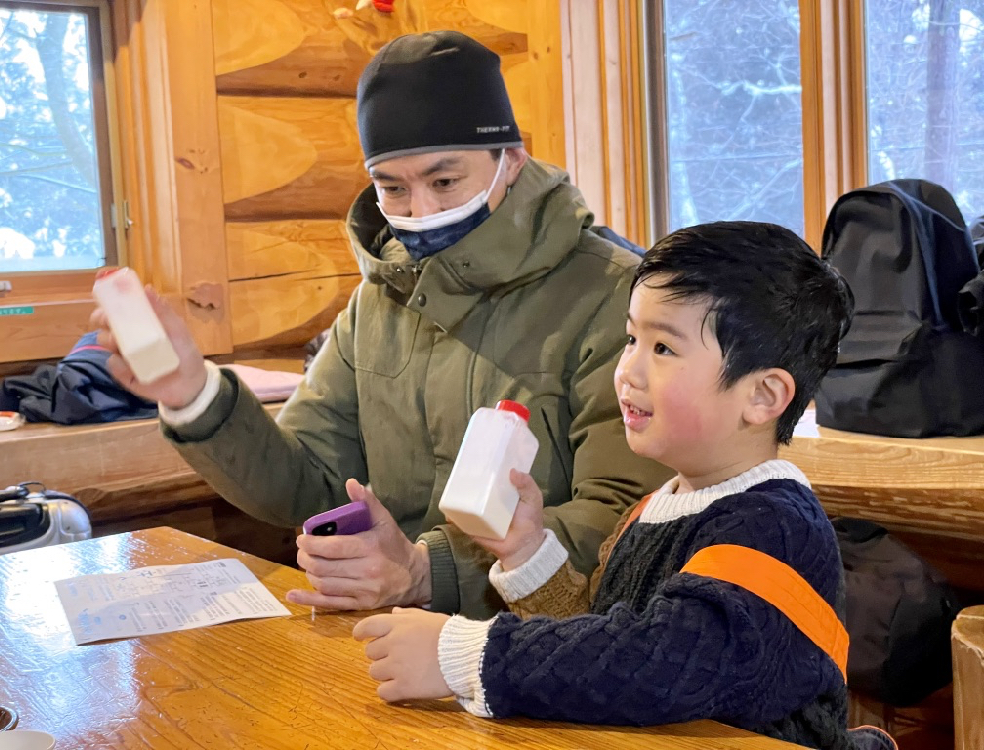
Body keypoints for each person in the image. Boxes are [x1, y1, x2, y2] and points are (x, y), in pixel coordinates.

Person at [90, 30, 670, 619]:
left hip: (545, 651)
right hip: (398, 643)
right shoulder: (379, 300)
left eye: (445, 182)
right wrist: (193, 395)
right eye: (393, 188)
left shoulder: (613, 292)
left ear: (511, 160)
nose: (421, 213)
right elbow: (306, 483)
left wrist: (426, 571)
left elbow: (625, 517)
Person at [353, 222, 896, 750]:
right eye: (632, 337)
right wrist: (526, 553)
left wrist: (466, 653)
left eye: (663, 348)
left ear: (762, 396)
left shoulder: (774, 527)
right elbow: (600, 640)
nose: (627, 370)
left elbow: (658, 664)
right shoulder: (658, 507)